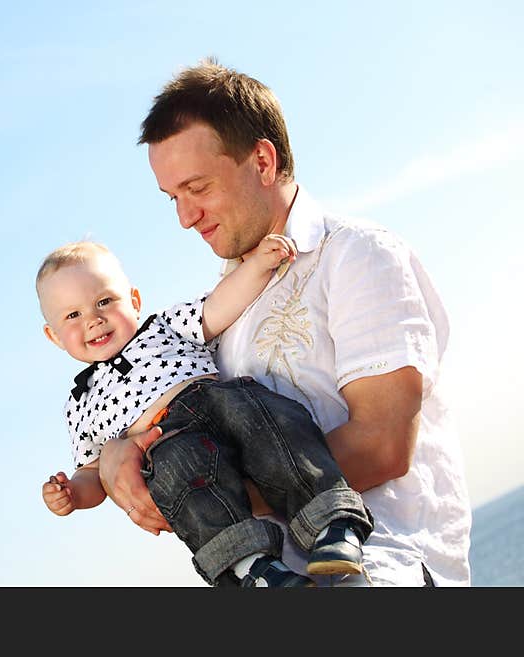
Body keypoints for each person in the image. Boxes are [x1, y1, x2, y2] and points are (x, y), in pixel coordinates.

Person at [96, 58, 471, 586]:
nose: (185, 216)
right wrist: (117, 460)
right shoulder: (216, 317)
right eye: (172, 198)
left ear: (264, 162)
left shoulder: (358, 255)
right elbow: (162, 407)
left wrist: (194, 495)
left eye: (197, 188)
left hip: (384, 568)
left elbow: (383, 445)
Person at [38, 238, 373, 587]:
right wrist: (74, 494)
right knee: (189, 491)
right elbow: (94, 472)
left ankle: (332, 523)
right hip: (168, 444)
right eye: (73, 315)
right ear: (55, 336)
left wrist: (257, 266)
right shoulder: (80, 402)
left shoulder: (162, 327)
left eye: (104, 301)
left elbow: (217, 307)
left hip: (221, 402)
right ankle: (253, 568)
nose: (94, 320)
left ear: (134, 301)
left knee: (276, 427)